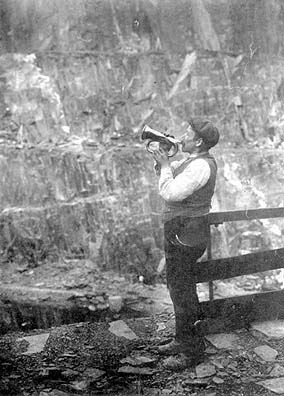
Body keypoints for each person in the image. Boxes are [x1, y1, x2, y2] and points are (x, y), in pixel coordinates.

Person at [152, 117, 219, 369]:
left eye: (187, 133)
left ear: (199, 141)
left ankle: (192, 351)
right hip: (182, 231)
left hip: (187, 234)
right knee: (178, 288)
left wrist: (166, 164)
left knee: (183, 292)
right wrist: (163, 162)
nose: (182, 136)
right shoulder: (191, 162)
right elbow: (167, 176)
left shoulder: (200, 166)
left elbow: (171, 192)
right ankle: (182, 340)